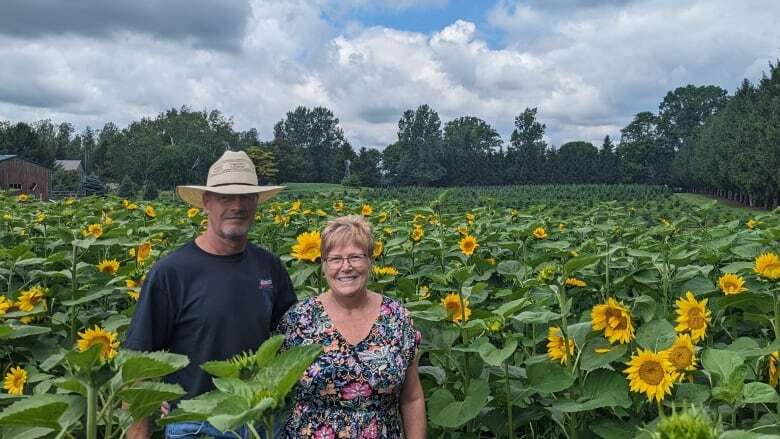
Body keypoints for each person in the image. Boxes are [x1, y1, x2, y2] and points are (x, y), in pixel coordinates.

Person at [124, 150, 297, 439]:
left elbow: (293, 341)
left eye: (246, 197)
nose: (237, 206)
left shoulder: (269, 266)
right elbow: (137, 363)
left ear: (256, 203)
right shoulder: (171, 272)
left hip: (260, 421)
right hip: (196, 422)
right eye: (225, 197)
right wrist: (141, 426)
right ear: (206, 202)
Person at [278, 215, 426, 439]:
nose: (345, 267)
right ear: (324, 265)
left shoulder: (397, 317)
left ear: (370, 261)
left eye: (355, 257)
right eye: (335, 259)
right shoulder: (299, 319)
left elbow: (412, 397)